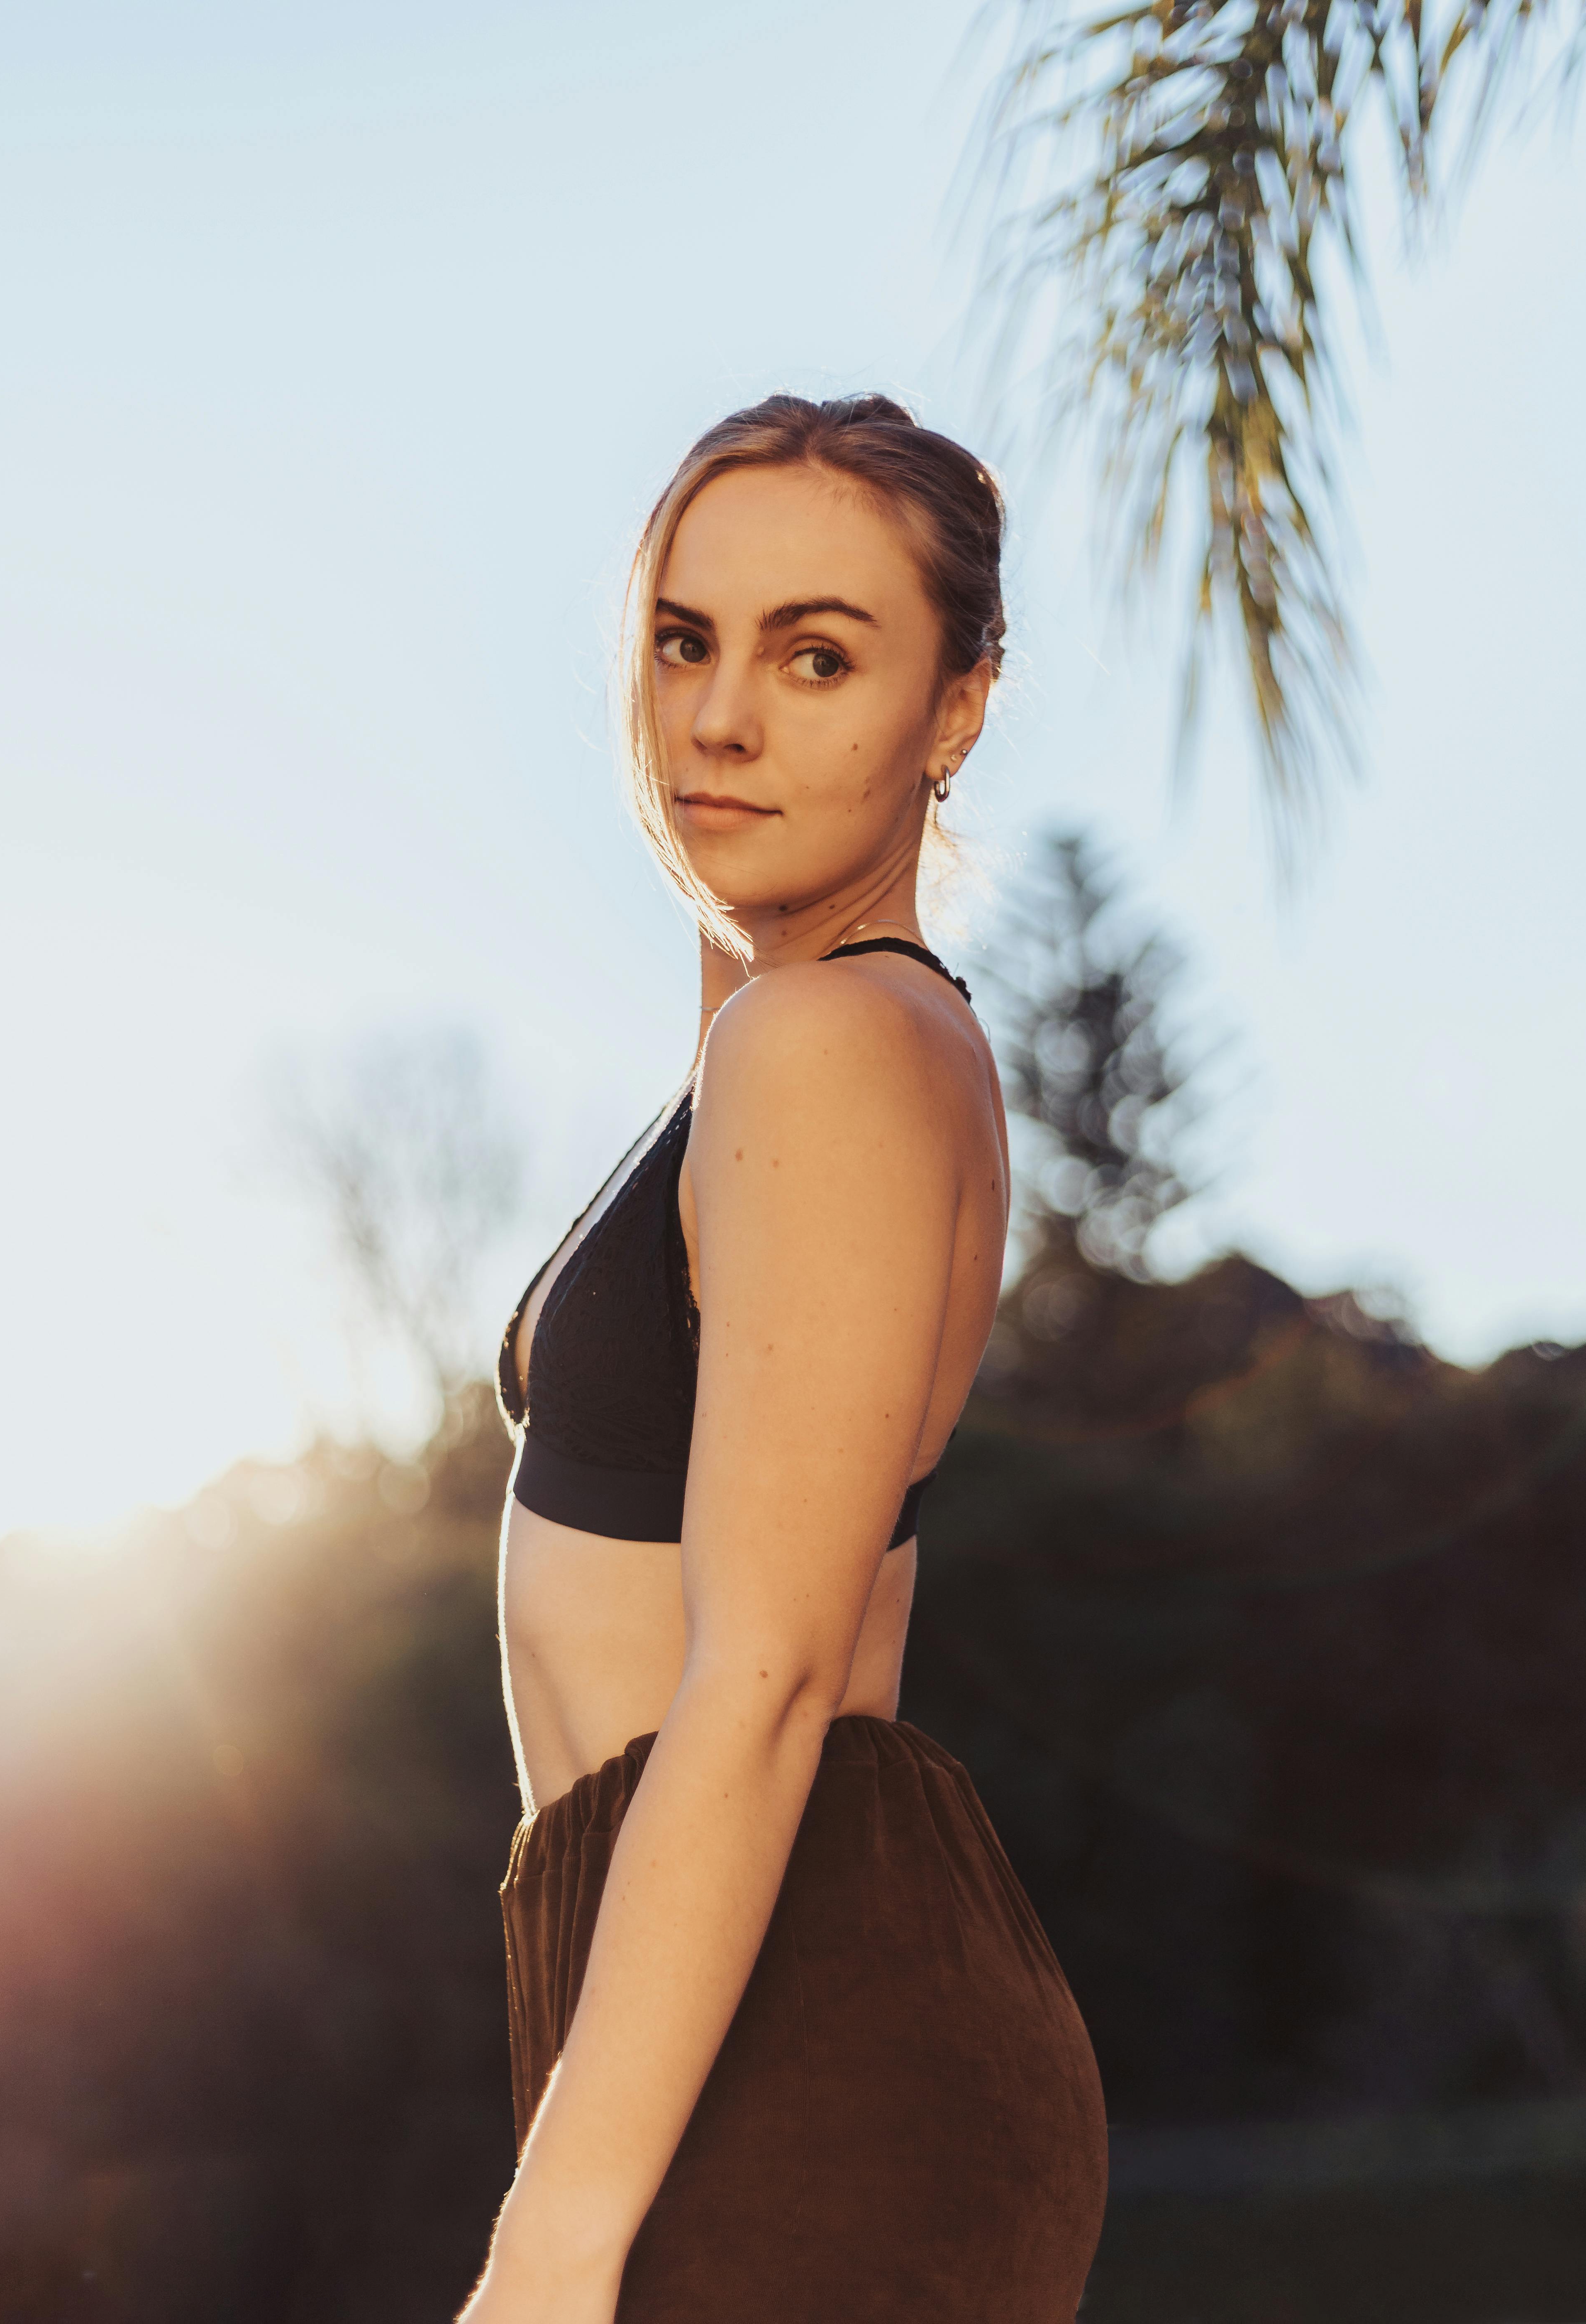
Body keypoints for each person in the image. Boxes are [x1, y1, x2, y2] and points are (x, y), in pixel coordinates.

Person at [466, 394, 1105, 2324]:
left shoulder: (825, 1050)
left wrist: (548, 2253)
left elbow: (760, 1672)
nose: (720, 715)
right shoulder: (824, 1032)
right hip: (744, 2015)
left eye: (817, 653)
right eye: (684, 639)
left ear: (959, 705)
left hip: (792, 2046)